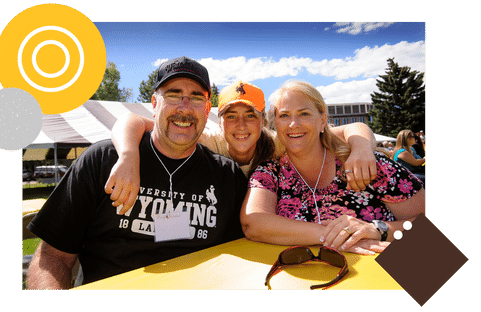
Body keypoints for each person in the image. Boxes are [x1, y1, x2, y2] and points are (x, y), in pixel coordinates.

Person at [26, 56, 248, 289]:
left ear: (206, 108)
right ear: (154, 103)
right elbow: (52, 257)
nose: (184, 107)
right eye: (173, 95)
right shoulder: (102, 161)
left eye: (196, 98)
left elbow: (240, 260)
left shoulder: (227, 176)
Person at [107, 81, 379, 214]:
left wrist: (363, 149)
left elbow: (344, 130)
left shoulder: (279, 141)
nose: (241, 126)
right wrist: (129, 157)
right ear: (219, 120)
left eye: (250, 116)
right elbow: (133, 120)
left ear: (263, 120)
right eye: (231, 116)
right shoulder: (205, 141)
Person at [240, 81, 425, 256]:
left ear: (322, 120)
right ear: (275, 125)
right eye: (284, 115)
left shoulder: (365, 163)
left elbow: (431, 227)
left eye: (304, 113)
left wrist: (378, 230)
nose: (293, 123)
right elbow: (254, 223)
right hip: (305, 279)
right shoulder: (270, 172)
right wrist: (333, 235)